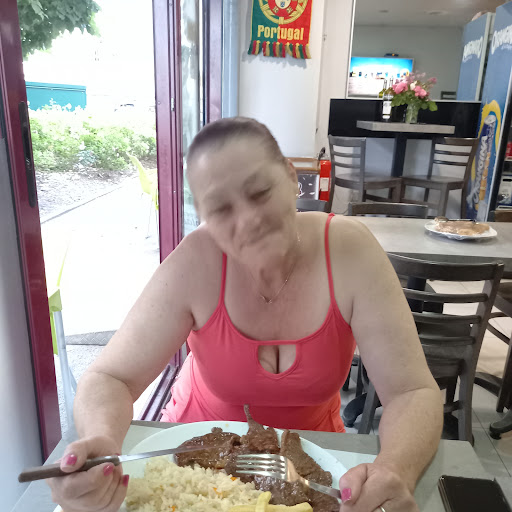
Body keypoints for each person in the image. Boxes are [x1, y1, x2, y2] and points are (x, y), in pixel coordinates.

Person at [48, 117, 442, 512]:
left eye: (260, 192)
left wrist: (395, 468)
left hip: (313, 461)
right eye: (221, 209)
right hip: (195, 468)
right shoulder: (195, 263)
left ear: (291, 177)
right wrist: (102, 440)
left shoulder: (350, 252)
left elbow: (412, 392)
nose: (248, 220)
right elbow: (110, 377)